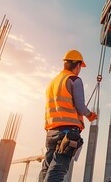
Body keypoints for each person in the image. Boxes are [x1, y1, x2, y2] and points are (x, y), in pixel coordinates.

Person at [39, 50, 98, 182]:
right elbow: (80, 106)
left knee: (47, 168)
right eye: (80, 67)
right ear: (77, 65)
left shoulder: (52, 82)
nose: (79, 70)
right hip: (67, 132)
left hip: (51, 131)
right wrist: (90, 116)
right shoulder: (74, 80)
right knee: (58, 170)